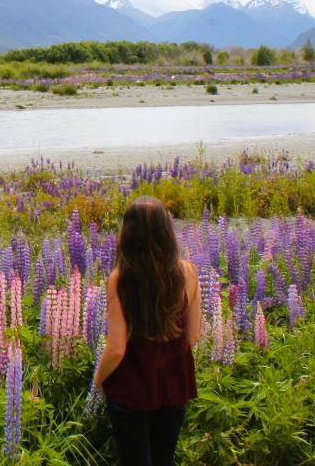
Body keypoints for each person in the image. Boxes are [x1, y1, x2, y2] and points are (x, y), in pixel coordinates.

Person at [92, 196, 201, 466]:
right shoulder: (188, 272)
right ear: (167, 232)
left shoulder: (121, 279)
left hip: (133, 386)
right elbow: (194, 336)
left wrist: (98, 381)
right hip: (175, 382)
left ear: (128, 234)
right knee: (165, 459)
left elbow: (116, 348)